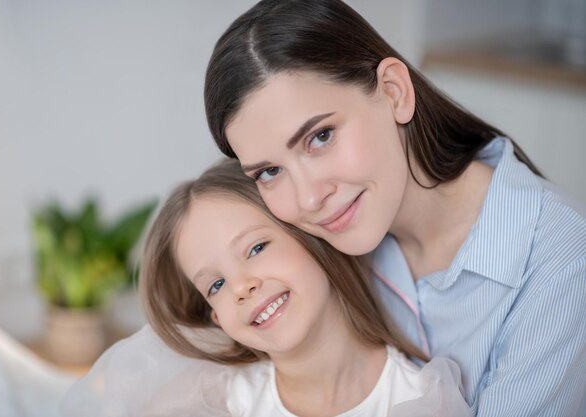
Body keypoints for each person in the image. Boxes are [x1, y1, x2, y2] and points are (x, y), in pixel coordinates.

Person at [203, 0, 586, 416]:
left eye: (320, 136)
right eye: (270, 171)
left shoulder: (561, 257)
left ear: (394, 92)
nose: (309, 199)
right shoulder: (310, 249)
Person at [61, 159, 471, 416]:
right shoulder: (213, 403)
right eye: (216, 284)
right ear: (216, 317)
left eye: (256, 248)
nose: (241, 286)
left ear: (310, 237)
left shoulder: (419, 401)